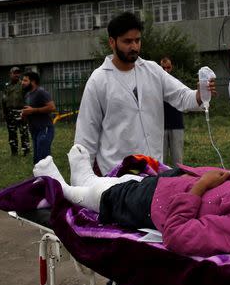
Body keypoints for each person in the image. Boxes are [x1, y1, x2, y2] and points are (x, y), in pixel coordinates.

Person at [33, 144, 230, 259]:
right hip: (169, 186)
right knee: (125, 183)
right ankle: (84, 178)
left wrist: (199, 189)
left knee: (107, 196)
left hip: (156, 205)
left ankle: (64, 189)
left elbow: (178, 236)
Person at [75, 11, 214, 174]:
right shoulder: (98, 80)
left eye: (137, 40)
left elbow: (182, 96)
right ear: (112, 42)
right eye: (127, 41)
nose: (134, 46)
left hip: (153, 170)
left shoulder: (153, 70)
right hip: (117, 176)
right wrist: (83, 180)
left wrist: (199, 94)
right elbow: (86, 136)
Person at [21, 71, 56, 164]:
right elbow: (30, 110)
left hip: (44, 129)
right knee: (37, 160)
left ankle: (48, 177)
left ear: (33, 82)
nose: (22, 82)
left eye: (25, 80)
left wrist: (33, 110)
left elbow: (52, 107)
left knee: (43, 159)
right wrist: (25, 114)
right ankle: (41, 177)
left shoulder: (41, 92)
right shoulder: (28, 95)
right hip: (34, 130)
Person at [160, 57, 185, 166]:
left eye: (168, 67)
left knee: (178, 159)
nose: (166, 70)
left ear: (172, 67)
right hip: (160, 125)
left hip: (177, 124)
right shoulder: (155, 84)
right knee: (161, 159)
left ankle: (179, 180)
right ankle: (160, 180)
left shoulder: (177, 83)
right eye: (163, 68)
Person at [2, 66, 30, 157]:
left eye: (18, 73)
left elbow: (28, 98)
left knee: (24, 133)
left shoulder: (23, 85)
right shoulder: (7, 86)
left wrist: (26, 112)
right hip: (10, 112)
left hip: (21, 111)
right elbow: (4, 100)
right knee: (12, 133)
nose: (17, 75)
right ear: (10, 74)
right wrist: (4, 113)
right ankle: (14, 153)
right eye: (15, 73)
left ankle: (26, 152)